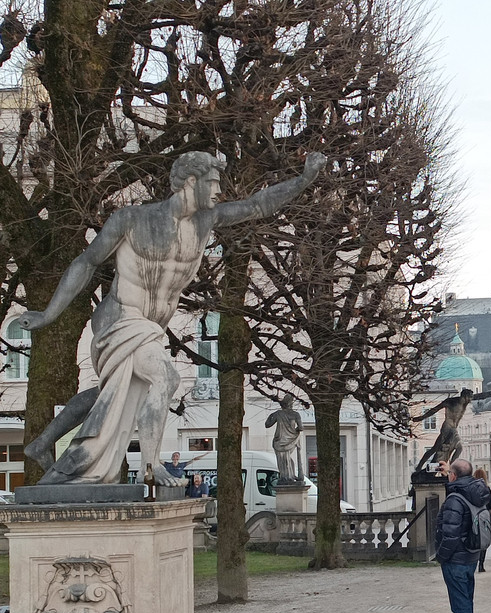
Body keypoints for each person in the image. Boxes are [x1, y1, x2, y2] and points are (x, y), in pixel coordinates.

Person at [21, 150, 326, 486]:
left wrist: (304, 179)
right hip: (120, 317)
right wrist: (48, 314)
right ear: (190, 182)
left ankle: (42, 442)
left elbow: (257, 205)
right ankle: (151, 468)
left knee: (113, 396)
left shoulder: (205, 221)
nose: (218, 191)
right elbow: (86, 262)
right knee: (165, 378)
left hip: (152, 326)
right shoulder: (131, 219)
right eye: (213, 183)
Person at [434, 458, 491, 613]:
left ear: (453, 475)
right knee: (465, 603)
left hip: (456, 559)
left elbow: (450, 534)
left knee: (460, 605)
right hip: (470, 555)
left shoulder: (455, 499)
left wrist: (441, 556)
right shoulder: (477, 492)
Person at [413, 387, 491, 472]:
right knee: (457, 448)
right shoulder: (450, 402)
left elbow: (483, 395)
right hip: (448, 427)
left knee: (436, 448)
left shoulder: (465, 402)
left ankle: (425, 467)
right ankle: (450, 468)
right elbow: (434, 410)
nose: (471, 400)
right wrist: (421, 418)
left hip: (453, 428)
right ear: (465, 396)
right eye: (469, 398)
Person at [265, 394, 304, 482]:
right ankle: (290, 476)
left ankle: (285, 476)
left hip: (279, 441)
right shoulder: (295, 414)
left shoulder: (278, 413)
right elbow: (301, 428)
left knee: (282, 460)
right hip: (291, 440)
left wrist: (270, 415)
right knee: (287, 459)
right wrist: (294, 431)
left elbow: (267, 425)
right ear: (291, 404)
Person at [473, 468, 491, 573]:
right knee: (484, 539)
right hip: (484, 517)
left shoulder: (470, 489)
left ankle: (473, 561)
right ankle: (481, 564)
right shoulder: (486, 489)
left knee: (474, 538)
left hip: (473, 516)